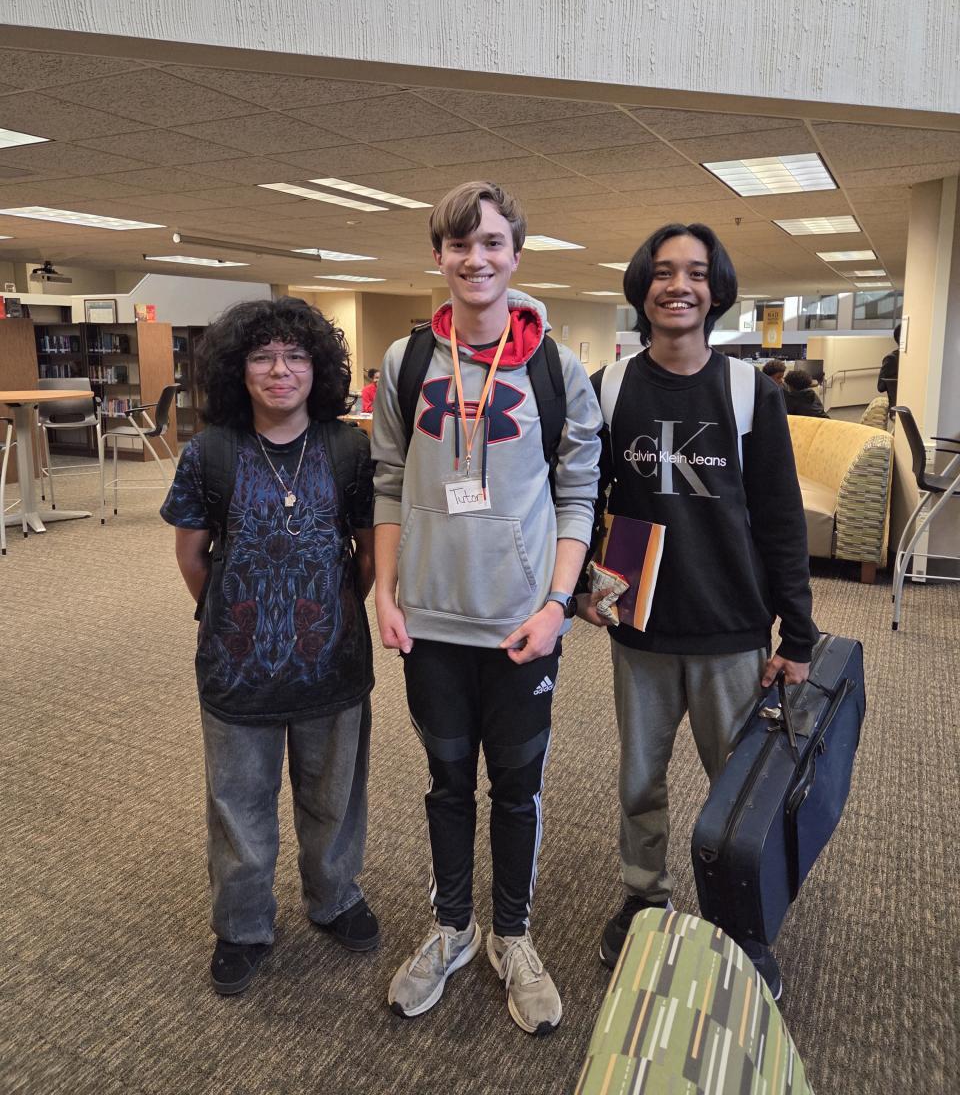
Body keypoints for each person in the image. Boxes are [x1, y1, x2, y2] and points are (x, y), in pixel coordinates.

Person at [372, 181, 601, 1035]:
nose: (477, 259)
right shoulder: (405, 364)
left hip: (521, 624)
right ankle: (452, 929)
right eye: (460, 245)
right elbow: (387, 482)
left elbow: (579, 493)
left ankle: (513, 935)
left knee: (516, 788)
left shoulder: (554, 367)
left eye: (493, 243)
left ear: (516, 255)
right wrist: (385, 591)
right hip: (430, 621)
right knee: (445, 784)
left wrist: (558, 605)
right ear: (439, 256)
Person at [579, 223, 817, 1001]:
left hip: (731, 631)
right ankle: (644, 898)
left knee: (738, 793)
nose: (677, 285)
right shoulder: (610, 387)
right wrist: (582, 581)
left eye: (695, 272)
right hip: (641, 627)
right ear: (641, 286)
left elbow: (781, 522)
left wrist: (798, 634)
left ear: (716, 291)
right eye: (662, 271)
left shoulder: (752, 392)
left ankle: (742, 920)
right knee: (639, 781)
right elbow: (583, 498)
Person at [161, 297, 378, 997]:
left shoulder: (349, 449)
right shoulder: (210, 453)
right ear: (239, 369)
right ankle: (243, 924)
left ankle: (335, 898)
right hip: (237, 667)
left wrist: (333, 612)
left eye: (295, 355)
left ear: (319, 368)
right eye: (262, 356)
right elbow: (192, 556)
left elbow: (368, 556)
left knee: (334, 798)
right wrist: (232, 618)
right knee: (239, 806)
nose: (280, 370)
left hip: (332, 660)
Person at [877, 323, 901, 408]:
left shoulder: (891, 359)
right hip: (898, 408)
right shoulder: (891, 359)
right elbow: (880, 387)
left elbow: (881, 387)